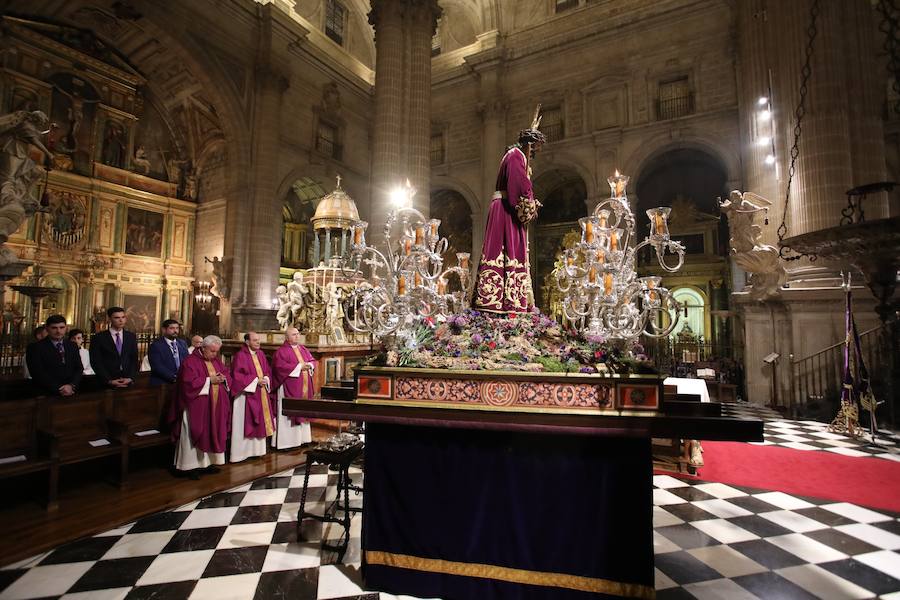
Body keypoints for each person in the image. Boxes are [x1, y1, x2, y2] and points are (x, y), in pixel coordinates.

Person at [472, 107, 546, 315]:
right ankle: (501, 303)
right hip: (506, 210)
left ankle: (511, 299)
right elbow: (518, 188)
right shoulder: (515, 156)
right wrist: (529, 205)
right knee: (505, 252)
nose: (536, 153)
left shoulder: (515, 157)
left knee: (510, 253)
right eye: (536, 148)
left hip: (506, 208)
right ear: (529, 144)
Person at [169, 335, 231, 478]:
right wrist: (210, 380)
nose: (215, 355)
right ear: (203, 348)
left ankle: (207, 464)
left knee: (211, 431)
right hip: (195, 406)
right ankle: (189, 467)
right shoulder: (190, 361)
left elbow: (226, 373)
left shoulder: (215, 361)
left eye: (217, 351)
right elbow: (187, 384)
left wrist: (223, 378)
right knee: (193, 434)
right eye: (212, 351)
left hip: (213, 406)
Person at [230, 332, 275, 462]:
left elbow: (267, 371)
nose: (258, 343)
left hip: (260, 393)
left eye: (258, 340)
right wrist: (255, 381)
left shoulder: (260, 354)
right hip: (245, 396)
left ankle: (257, 451)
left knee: (259, 422)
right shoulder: (240, 356)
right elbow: (237, 377)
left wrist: (266, 378)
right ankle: (240, 454)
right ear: (247, 342)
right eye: (255, 340)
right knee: (244, 423)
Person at [271, 327, 315, 449]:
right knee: (289, 413)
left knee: (303, 410)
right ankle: (287, 442)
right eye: (294, 334)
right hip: (289, 388)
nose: (297, 336)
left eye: (298, 334)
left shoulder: (303, 349)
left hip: (303, 388)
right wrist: (300, 367)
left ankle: (303, 439)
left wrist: (310, 365)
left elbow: (312, 360)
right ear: (287, 337)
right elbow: (279, 368)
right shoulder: (281, 352)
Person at [25, 315, 83, 396]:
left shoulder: (72, 345)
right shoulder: (35, 347)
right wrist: (59, 388)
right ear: (47, 328)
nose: (58, 331)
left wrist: (71, 385)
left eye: (61, 327)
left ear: (66, 328)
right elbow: (37, 373)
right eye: (54, 328)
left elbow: (79, 368)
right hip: (47, 393)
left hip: (71, 392)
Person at [89, 306, 138, 388]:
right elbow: (96, 362)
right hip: (107, 383)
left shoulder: (131, 336)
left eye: (123, 317)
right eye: (117, 318)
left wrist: (130, 378)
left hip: (127, 381)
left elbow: (134, 359)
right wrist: (109, 380)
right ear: (109, 319)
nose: (121, 320)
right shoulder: (99, 338)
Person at [147, 319, 189, 385]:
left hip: (181, 383)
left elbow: (187, 361)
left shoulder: (182, 343)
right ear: (164, 330)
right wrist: (174, 378)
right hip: (162, 383)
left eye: (177, 328)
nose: (175, 331)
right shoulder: (156, 345)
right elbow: (157, 366)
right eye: (172, 328)